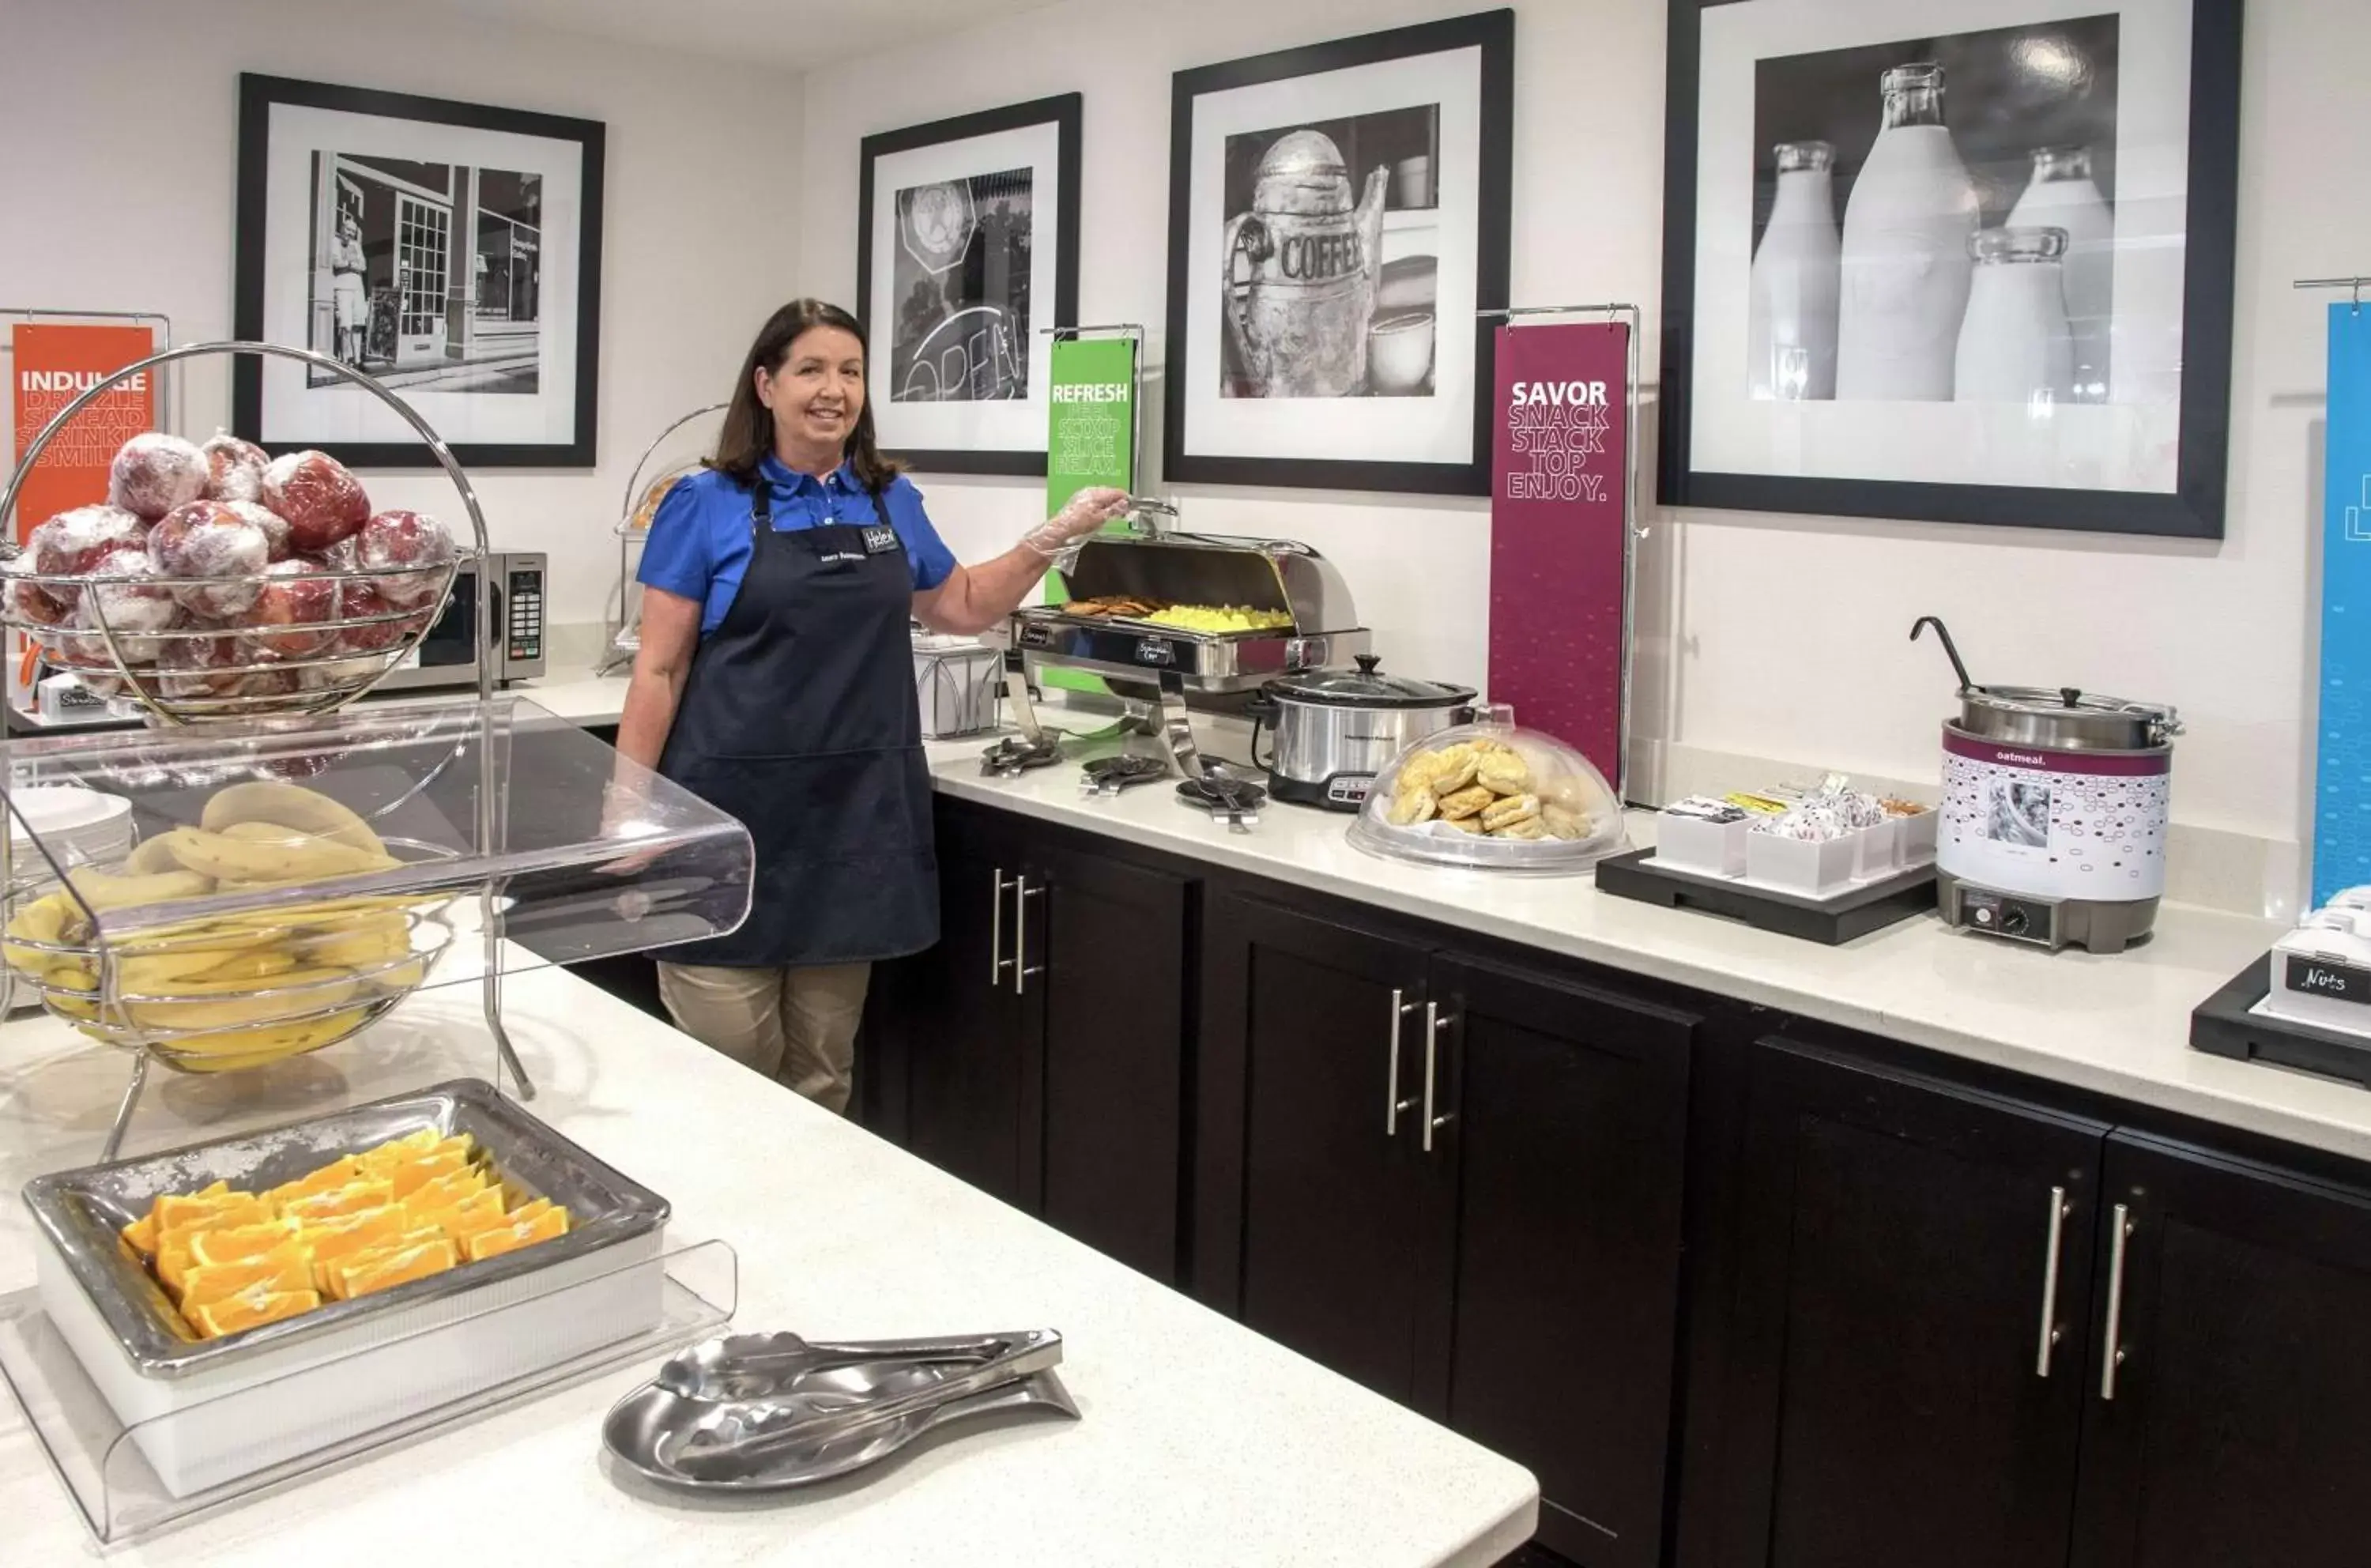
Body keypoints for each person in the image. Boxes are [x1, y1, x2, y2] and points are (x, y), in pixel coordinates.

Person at [611, 299, 1127, 1112]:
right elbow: (659, 670)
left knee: (821, 1075)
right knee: (727, 1078)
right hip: (724, 816)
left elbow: (958, 605)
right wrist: (630, 806)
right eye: (811, 369)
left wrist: (1053, 536)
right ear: (766, 385)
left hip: (852, 821)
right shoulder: (704, 501)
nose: (834, 390)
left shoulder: (888, 499)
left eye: (849, 371)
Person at [330, 209, 368, 365]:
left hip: (357, 288)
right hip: (342, 287)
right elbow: (336, 262)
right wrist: (353, 264)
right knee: (345, 325)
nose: (350, 233)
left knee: (358, 324)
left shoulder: (357, 245)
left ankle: (357, 359)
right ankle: (345, 359)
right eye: (348, 229)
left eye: (353, 231)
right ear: (342, 228)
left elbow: (364, 266)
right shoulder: (334, 242)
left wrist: (350, 264)